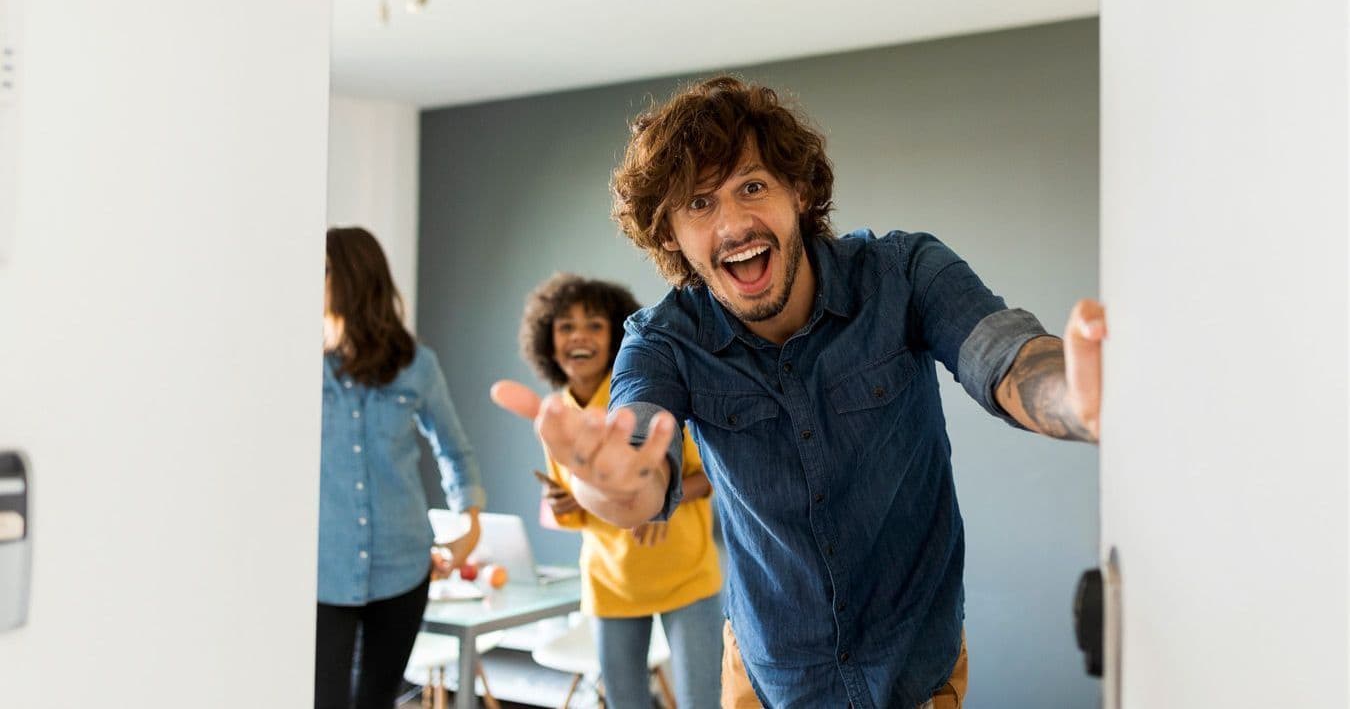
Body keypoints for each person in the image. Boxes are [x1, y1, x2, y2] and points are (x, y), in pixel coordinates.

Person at [491, 76, 1106, 709]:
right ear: (669, 232)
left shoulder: (904, 273)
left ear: (799, 191)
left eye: (752, 187)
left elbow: (1003, 354)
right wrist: (610, 484)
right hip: (769, 682)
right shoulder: (662, 342)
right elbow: (639, 459)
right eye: (699, 203)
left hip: (915, 673)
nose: (734, 224)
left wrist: (1077, 397)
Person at [518, 273, 723, 709]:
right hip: (610, 583)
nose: (580, 336)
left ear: (614, 336)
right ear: (547, 340)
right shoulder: (556, 417)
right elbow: (573, 512)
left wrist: (657, 502)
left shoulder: (642, 395)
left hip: (687, 577)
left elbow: (708, 477)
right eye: (566, 326)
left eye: (594, 325)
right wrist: (562, 503)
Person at [317, 226, 486, 709]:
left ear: (352, 277)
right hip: (323, 569)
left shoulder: (416, 365)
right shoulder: (301, 365)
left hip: (403, 568)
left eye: (323, 270)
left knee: (376, 701)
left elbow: (454, 449)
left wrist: (470, 523)